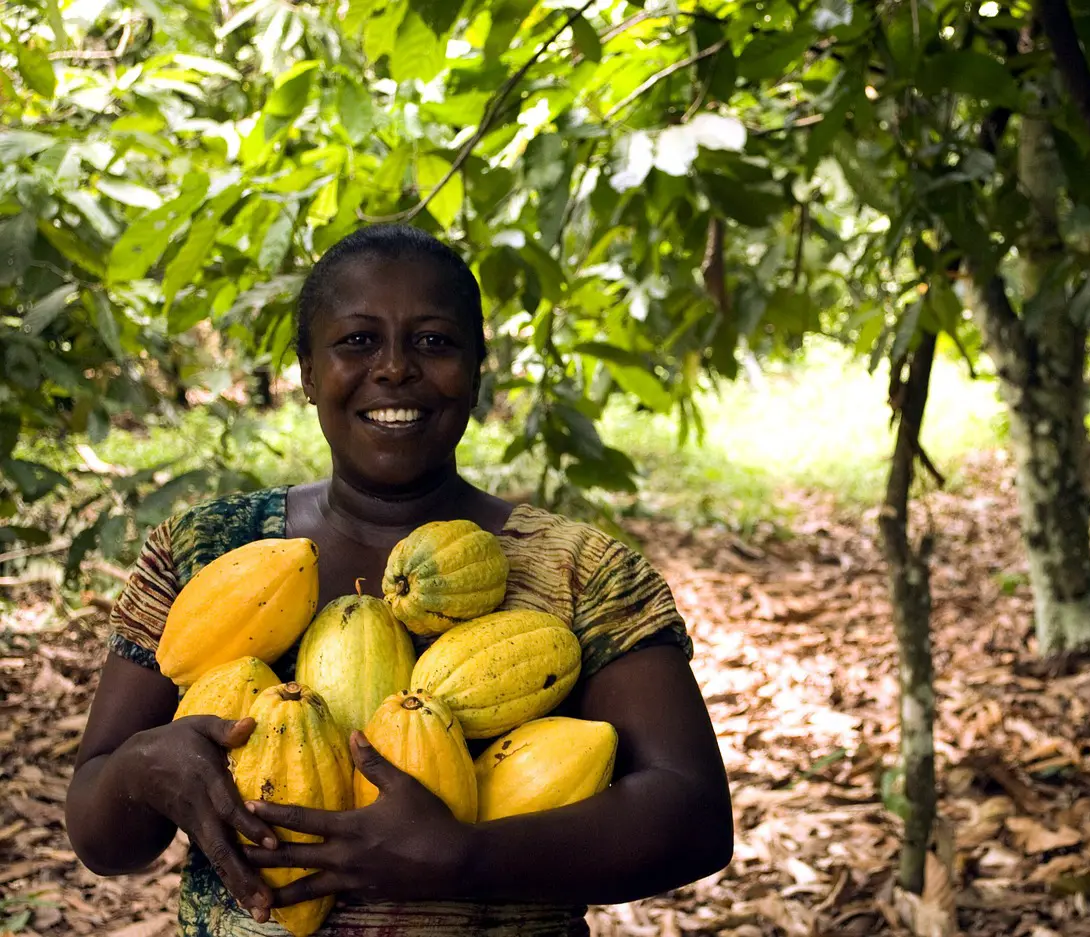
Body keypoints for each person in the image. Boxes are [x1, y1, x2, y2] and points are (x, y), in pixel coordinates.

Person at [65, 224, 734, 936]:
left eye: (434, 341)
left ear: (478, 367)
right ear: (307, 371)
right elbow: (102, 836)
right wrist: (141, 769)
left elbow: (693, 816)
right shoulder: (205, 550)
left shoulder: (582, 571)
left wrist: (466, 856)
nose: (394, 369)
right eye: (357, 341)